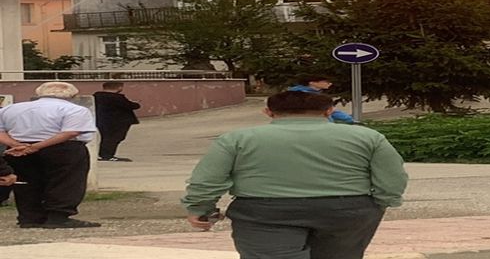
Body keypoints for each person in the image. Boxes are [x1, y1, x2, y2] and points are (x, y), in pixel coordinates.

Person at [182, 91, 408, 259]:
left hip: (264, 213)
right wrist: (382, 202)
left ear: (268, 112)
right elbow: (392, 175)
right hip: (347, 211)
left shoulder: (236, 139)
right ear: (329, 111)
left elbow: (208, 179)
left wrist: (201, 208)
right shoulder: (367, 137)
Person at [0, 81, 100, 228]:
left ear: (39, 93)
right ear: (72, 95)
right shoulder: (75, 109)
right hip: (62, 148)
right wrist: (37, 146)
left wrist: (16, 144)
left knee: (26, 182)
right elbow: (71, 132)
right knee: (66, 181)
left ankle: (29, 217)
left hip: (19, 148)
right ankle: (59, 215)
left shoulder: (11, 108)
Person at [93, 81, 140, 161]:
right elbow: (130, 106)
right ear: (119, 87)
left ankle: (103, 154)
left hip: (101, 120)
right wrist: (136, 104)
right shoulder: (117, 98)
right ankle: (108, 155)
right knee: (115, 138)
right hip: (119, 121)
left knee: (106, 137)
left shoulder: (96, 96)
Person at [287, 75, 355, 123]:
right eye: (326, 82)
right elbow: (329, 110)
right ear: (312, 83)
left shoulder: (315, 94)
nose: (330, 83)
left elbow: (331, 110)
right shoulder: (300, 95)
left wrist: (350, 120)